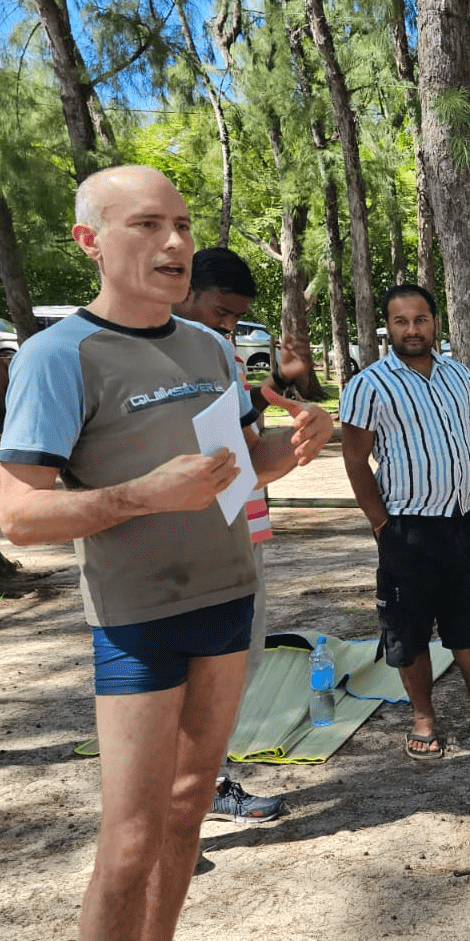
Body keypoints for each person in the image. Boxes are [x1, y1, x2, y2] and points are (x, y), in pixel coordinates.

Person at [0, 164, 331, 941]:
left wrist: (290, 448)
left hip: (228, 599)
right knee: (130, 837)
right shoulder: (59, 356)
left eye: (181, 224)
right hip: (138, 622)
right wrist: (137, 495)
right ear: (91, 242)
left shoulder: (208, 347)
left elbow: (232, 467)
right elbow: (18, 515)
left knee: (189, 805)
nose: (174, 243)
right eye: (146, 225)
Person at [340, 283, 470, 758]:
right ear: (387, 326)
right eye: (402, 321)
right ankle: (423, 718)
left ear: (435, 322)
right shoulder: (369, 384)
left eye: (421, 320)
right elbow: (354, 460)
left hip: (462, 522)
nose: (413, 330)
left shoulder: (458, 375)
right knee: (408, 627)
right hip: (406, 529)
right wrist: (380, 523)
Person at [176, 247, 322, 823]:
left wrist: (282, 384)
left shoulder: (220, 352)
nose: (228, 326)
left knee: (240, 660)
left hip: (242, 524)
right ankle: (192, 792)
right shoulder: (164, 355)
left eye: (236, 318)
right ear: (183, 290)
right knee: (202, 667)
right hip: (196, 534)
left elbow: (246, 439)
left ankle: (202, 786)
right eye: (219, 312)